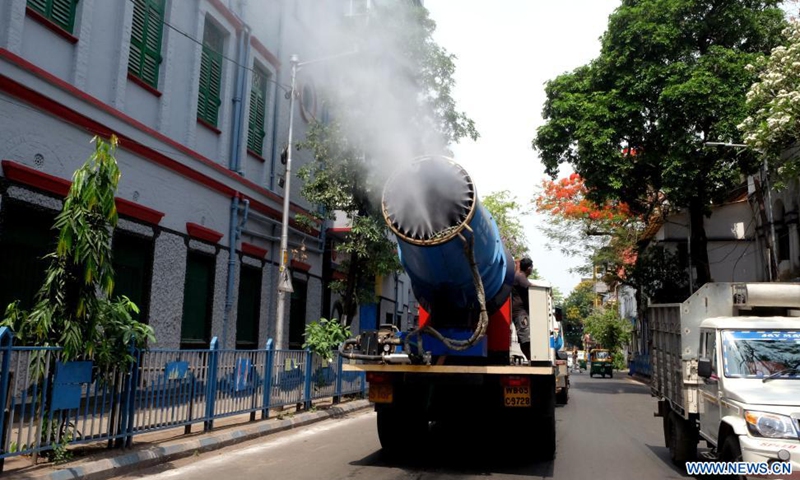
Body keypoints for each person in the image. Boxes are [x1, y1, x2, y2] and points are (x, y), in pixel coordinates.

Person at [511, 257, 533, 360]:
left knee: (524, 338)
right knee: (526, 338)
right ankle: (530, 358)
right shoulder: (521, 277)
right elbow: (532, 288)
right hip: (520, 313)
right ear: (529, 268)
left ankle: (530, 358)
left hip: (518, 312)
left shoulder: (518, 275)